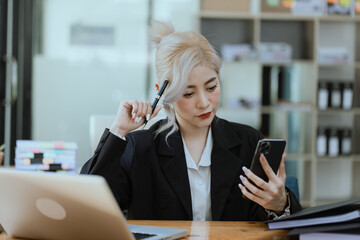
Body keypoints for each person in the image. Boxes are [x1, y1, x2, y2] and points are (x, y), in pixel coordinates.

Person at [81, 20, 301, 221]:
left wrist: (280, 204)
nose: (204, 103)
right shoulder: (140, 147)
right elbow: (88, 205)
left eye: (212, 87)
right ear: (163, 93)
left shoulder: (247, 140)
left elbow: (269, 222)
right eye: (188, 93)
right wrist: (119, 130)